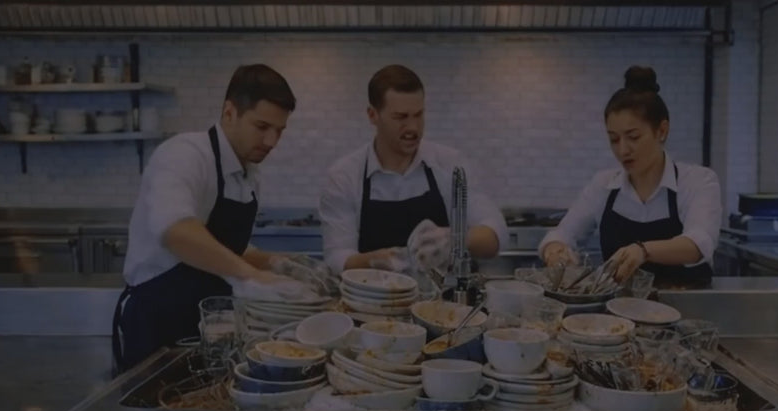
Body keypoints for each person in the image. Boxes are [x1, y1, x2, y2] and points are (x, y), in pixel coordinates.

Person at [112, 64, 326, 373]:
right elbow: (176, 230)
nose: (271, 141)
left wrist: (279, 263)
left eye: (279, 131)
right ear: (229, 112)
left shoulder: (249, 174)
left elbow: (225, 247)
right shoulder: (184, 155)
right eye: (262, 126)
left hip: (212, 327)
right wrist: (249, 276)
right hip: (157, 325)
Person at [539, 66, 722, 288]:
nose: (623, 150)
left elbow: (699, 244)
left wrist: (643, 251)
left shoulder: (697, 181)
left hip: (687, 305)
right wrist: (556, 250)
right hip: (620, 309)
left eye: (633, 137)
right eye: (614, 139)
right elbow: (562, 234)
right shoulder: (603, 185)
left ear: (662, 131)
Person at [319, 64, 509, 275]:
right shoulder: (344, 176)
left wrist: (455, 239)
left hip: (444, 295)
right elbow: (337, 257)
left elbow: (496, 233)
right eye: (400, 117)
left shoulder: (449, 164)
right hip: (372, 293)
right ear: (373, 115)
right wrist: (376, 261)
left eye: (418, 115)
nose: (413, 127)